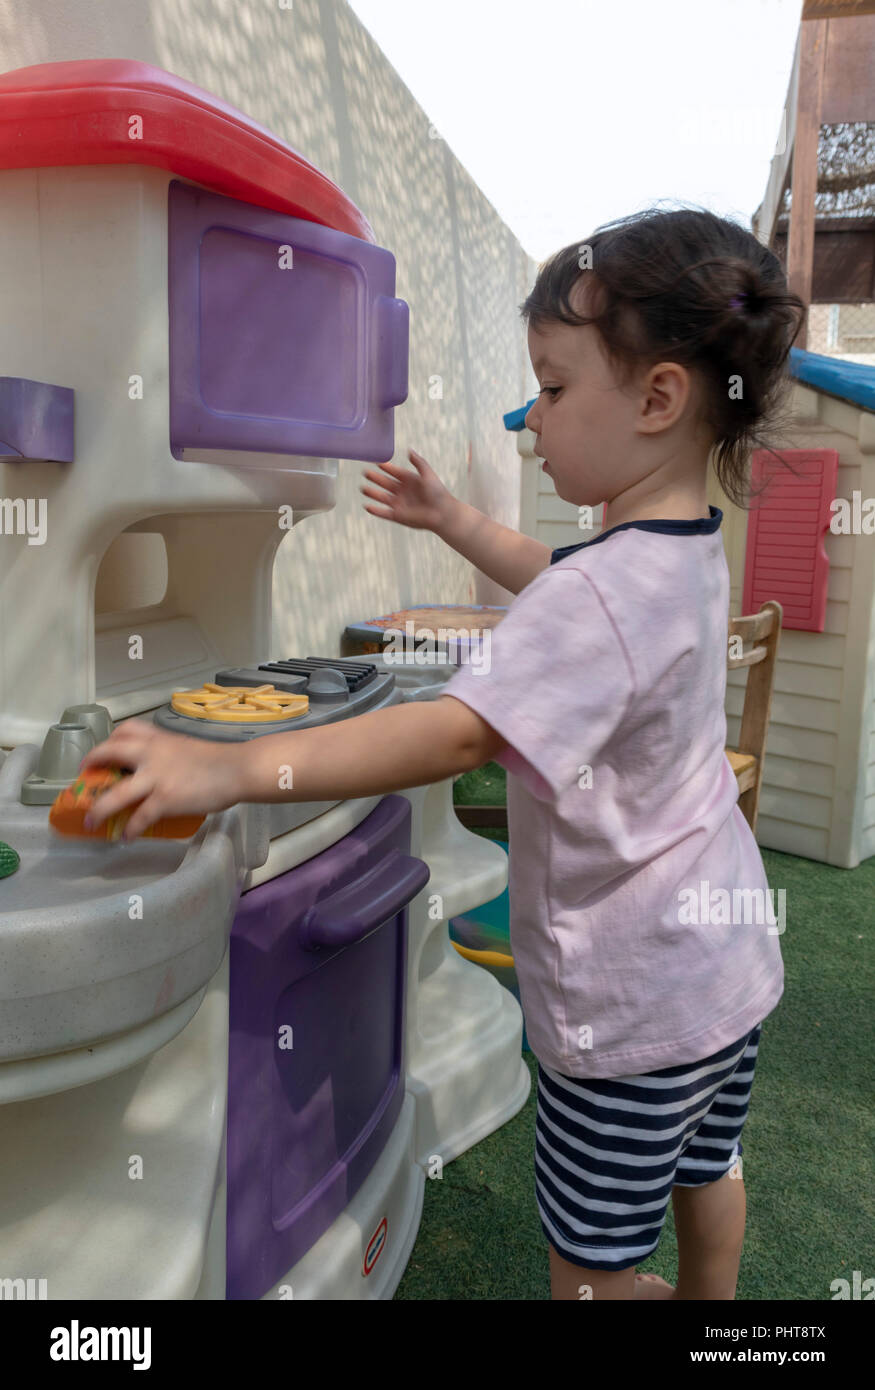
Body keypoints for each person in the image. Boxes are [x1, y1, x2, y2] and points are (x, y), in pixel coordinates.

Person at [79, 205, 804, 1302]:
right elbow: (552, 575)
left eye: (554, 390)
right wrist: (449, 519)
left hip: (628, 1008)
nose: (534, 420)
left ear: (656, 398)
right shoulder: (680, 548)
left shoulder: (602, 588)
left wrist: (224, 767)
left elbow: (455, 728)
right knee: (709, 1166)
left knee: (593, 1258)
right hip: (721, 976)